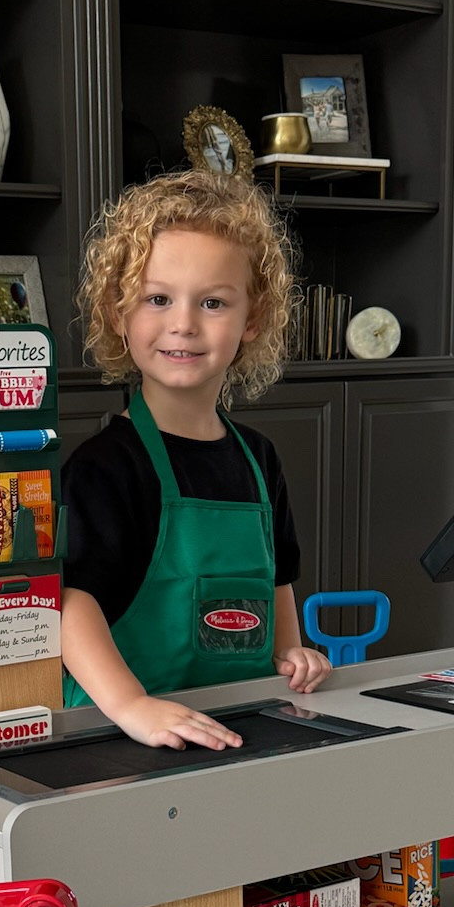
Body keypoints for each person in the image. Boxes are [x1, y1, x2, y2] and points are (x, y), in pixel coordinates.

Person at [62, 171, 331, 750]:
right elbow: (71, 604)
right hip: (123, 739)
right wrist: (134, 707)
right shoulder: (105, 467)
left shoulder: (259, 460)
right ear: (118, 313)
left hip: (245, 726)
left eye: (212, 302)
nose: (183, 323)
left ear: (251, 321)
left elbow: (278, 580)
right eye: (158, 299)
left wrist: (291, 650)